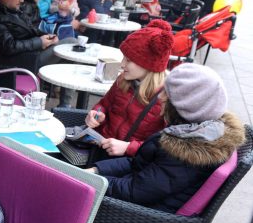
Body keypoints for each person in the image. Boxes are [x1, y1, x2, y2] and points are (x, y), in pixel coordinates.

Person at [90, 64, 245, 213]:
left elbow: (135, 191)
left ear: (185, 107)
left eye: (168, 94)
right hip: (136, 200)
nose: (161, 97)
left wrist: (90, 181)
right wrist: (96, 170)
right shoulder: (193, 132)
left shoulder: (185, 153)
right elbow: (140, 163)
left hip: (137, 219)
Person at [84, 20, 173, 159]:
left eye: (129, 60)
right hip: (99, 148)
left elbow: (165, 145)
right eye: (124, 58)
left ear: (149, 64)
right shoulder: (123, 80)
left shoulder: (167, 97)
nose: (122, 64)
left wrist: (128, 148)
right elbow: (104, 105)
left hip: (126, 163)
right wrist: (97, 114)